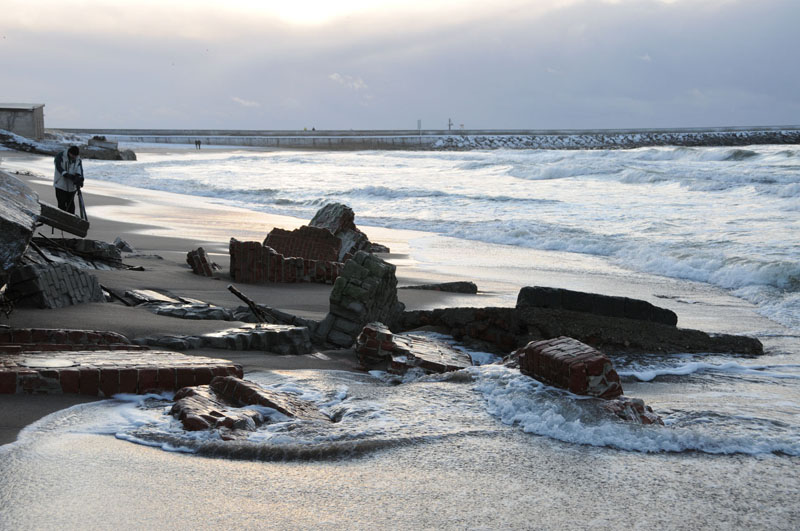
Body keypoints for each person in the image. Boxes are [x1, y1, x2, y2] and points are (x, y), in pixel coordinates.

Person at [53, 145, 84, 214]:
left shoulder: (78, 159)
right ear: (69, 152)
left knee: (71, 207)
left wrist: (80, 179)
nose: (74, 157)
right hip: (60, 185)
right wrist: (65, 174)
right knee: (62, 205)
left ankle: (70, 221)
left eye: (75, 156)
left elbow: (80, 170)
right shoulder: (60, 156)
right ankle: (61, 220)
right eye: (73, 155)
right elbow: (58, 167)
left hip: (72, 187)